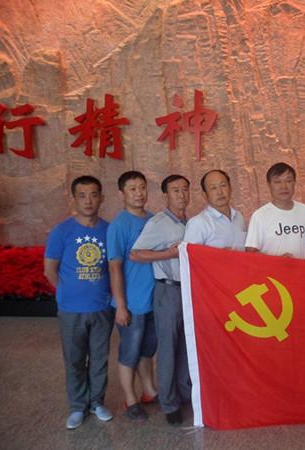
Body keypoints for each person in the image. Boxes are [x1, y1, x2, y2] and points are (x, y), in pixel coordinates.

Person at [44, 176, 114, 429]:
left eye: (94, 194)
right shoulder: (61, 232)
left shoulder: (109, 230)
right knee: (74, 360)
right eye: (82, 195)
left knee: (99, 359)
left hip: (101, 307)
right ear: (74, 199)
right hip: (71, 310)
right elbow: (50, 270)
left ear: (101, 198)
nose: (88, 200)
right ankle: (77, 406)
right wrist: (67, 293)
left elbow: (115, 268)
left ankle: (96, 402)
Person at [130, 175, 191, 426]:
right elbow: (135, 254)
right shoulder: (158, 223)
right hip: (167, 290)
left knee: (186, 345)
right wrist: (168, 253)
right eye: (175, 190)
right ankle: (169, 403)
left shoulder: (191, 222)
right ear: (166, 195)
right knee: (168, 348)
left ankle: (185, 393)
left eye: (185, 189)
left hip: (189, 290)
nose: (181, 195)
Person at [107, 171, 158, 421]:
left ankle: (149, 390)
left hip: (152, 300)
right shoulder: (119, 225)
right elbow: (114, 267)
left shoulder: (153, 220)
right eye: (132, 189)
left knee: (147, 350)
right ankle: (130, 399)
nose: (139, 193)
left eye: (142, 188)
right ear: (122, 193)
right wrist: (121, 306)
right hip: (132, 304)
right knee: (129, 352)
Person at [245, 162, 305, 259]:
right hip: (272, 269)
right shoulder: (259, 216)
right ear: (269, 185)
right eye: (277, 182)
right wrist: (278, 260)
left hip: (301, 268)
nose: (284, 186)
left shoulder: (304, 211)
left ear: (294, 183)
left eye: (288, 181)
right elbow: (250, 253)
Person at [184, 169, 247, 249]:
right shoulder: (198, 223)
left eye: (223, 185)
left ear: (230, 188)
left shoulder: (239, 216)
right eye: (213, 188)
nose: (219, 192)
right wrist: (219, 254)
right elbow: (189, 255)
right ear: (204, 195)